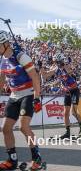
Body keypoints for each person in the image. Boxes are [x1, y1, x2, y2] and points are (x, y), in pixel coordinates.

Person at [0, 30, 43, 170]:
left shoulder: (21, 56)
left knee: (23, 127)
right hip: (14, 95)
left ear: (6, 44)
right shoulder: (2, 60)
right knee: (5, 128)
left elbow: (35, 77)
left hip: (28, 93)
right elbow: (1, 79)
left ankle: (37, 159)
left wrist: (37, 98)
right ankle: (12, 160)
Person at [40, 52, 81, 139]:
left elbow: (70, 70)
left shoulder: (66, 66)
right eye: (55, 61)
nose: (55, 63)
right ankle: (67, 132)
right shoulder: (55, 69)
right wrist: (41, 67)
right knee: (65, 113)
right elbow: (45, 75)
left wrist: (64, 71)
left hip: (74, 90)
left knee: (73, 112)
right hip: (67, 92)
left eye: (57, 61)